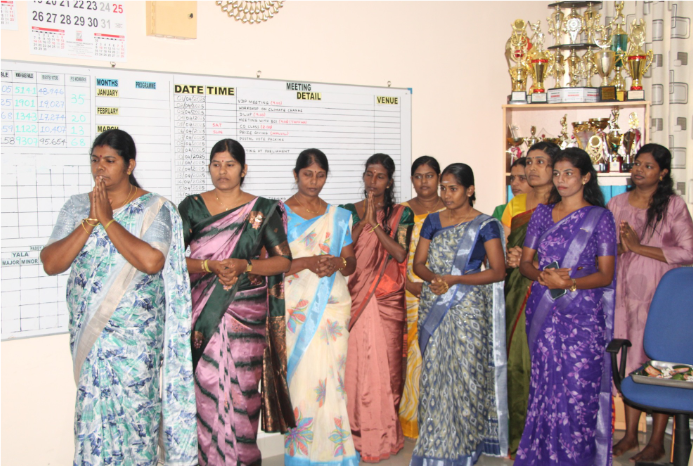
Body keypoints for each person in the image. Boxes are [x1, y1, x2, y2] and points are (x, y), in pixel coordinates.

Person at [40, 129, 198, 465]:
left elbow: (152, 261)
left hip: (136, 341)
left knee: (137, 418)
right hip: (92, 336)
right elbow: (52, 263)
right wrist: (90, 220)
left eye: (109, 160)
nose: (100, 167)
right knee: (92, 417)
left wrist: (108, 222)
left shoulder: (155, 208)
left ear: (129, 165)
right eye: (95, 160)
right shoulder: (77, 206)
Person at [178, 138, 295, 466]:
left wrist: (246, 265)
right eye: (216, 164)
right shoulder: (191, 207)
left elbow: (283, 261)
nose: (222, 171)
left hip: (246, 314)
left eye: (230, 164)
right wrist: (208, 266)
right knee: (207, 387)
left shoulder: (262, 210)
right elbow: (170, 259)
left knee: (243, 391)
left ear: (243, 170)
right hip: (204, 313)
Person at [515, 148, 617, 466]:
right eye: (557, 173)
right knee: (545, 386)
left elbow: (606, 274)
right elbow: (526, 264)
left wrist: (570, 283)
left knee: (578, 389)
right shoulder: (542, 214)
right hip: (544, 309)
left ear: (585, 177)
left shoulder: (600, 217)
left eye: (569, 173)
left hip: (583, 315)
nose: (561, 180)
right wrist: (542, 276)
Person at [410, 163, 508, 466]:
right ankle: (435, 442)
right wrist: (435, 279)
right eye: (444, 188)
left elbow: (498, 271)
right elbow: (419, 264)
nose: (446, 194)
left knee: (466, 375)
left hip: (468, 307)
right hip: (435, 300)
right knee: (435, 375)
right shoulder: (432, 221)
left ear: (470, 190)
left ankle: (465, 443)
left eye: (453, 188)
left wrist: (454, 280)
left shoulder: (485, 224)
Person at [609, 144, 693, 463]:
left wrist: (639, 247)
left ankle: (656, 440)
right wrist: (621, 247)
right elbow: (606, 248)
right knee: (628, 358)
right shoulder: (616, 203)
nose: (639, 170)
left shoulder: (673, 205)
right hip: (622, 294)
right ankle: (631, 434)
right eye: (637, 163)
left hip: (658, 294)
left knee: (656, 361)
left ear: (663, 173)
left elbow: (688, 252)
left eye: (648, 166)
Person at [282, 149, 359, 466]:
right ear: (296, 174)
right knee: (303, 383)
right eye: (307, 174)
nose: (313, 181)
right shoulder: (279, 214)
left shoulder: (339, 216)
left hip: (333, 306)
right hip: (295, 308)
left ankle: (336, 455)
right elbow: (272, 264)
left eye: (320, 175)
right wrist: (308, 262)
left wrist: (337, 263)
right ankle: (301, 456)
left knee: (333, 381)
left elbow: (351, 263)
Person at [341, 153, 414, 462]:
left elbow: (400, 254)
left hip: (387, 297)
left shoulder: (401, 214)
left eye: (380, 176)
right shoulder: (347, 211)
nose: (373, 181)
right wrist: (362, 223)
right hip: (355, 294)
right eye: (369, 174)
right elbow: (342, 249)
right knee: (354, 368)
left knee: (389, 369)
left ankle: (384, 435)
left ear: (389, 181)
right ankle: (354, 435)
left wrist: (376, 225)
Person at [503, 141, 560, 455]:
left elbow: (574, 254)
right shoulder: (517, 203)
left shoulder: (565, 203)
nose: (533, 168)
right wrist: (510, 256)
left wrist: (533, 260)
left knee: (547, 365)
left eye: (541, 162)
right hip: (516, 289)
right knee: (516, 364)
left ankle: (547, 438)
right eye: (529, 161)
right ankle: (520, 439)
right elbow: (507, 243)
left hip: (552, 291)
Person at [398, 155, 445, 439]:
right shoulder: (402, 212)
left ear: (438, 178)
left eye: (429, 175)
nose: (423, 181)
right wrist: (406, 284)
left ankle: (440, 418)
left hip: (444, 292)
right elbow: (393, 255)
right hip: (409, 293)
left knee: (440, 355)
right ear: (411, 179)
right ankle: (412, 418)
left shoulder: (450, 209)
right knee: (413, 355)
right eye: (418, 176)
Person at [492, 157, 532, 222]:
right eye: (512, 178)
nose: (514, 183)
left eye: (522, 178)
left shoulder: (543, 211)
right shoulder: (501, 211)